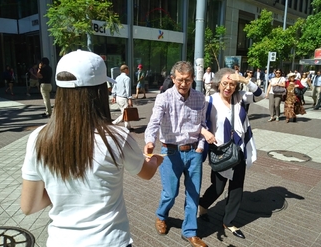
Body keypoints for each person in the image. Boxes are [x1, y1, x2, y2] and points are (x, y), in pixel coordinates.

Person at [20, 50, 164, 247]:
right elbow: (146, 173)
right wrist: (155, 159)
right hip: (110, 241)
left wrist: (60, 192)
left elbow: (29, 206)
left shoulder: (38, 138)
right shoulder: (117, 137)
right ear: (100, 92)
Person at [144, 61, 208, 247]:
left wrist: (201, 145)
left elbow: (203, 125)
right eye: (179, 80)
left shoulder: (199, 97)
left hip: (194, 151)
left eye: (187, 80)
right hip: (170, 152)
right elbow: (154, 122)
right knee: (170, 193)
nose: (183, 84)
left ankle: (189, 232)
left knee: (193, 194)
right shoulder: (164, 98)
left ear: (192, 79)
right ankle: (161, 215)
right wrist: (150, 141)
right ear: (173, 78)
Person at [198, 68, 265, 239]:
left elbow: (261, 95)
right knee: (218, 187)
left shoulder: (241, 97)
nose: (228, 87)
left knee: (236, 188)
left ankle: (229, 221)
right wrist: (206, 133)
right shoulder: (209, 101)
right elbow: (199, 123)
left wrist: (243, 80)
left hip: (239, 150)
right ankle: (203, 205)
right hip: (221, 151)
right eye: (225, 83)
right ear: (218, 84)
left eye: (232, 84)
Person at [112, 64, 133, 130]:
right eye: (128, 69)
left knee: (124, 112)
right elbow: (128, 89)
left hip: (118, 97)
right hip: (123, 98)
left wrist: (114, 96)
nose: (129, 71)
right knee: (125, 113)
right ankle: (113, 123)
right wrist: (130, 98)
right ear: (125, 70)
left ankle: (128, 126)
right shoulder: (127, 78)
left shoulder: (117, 78)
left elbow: (114, 88)